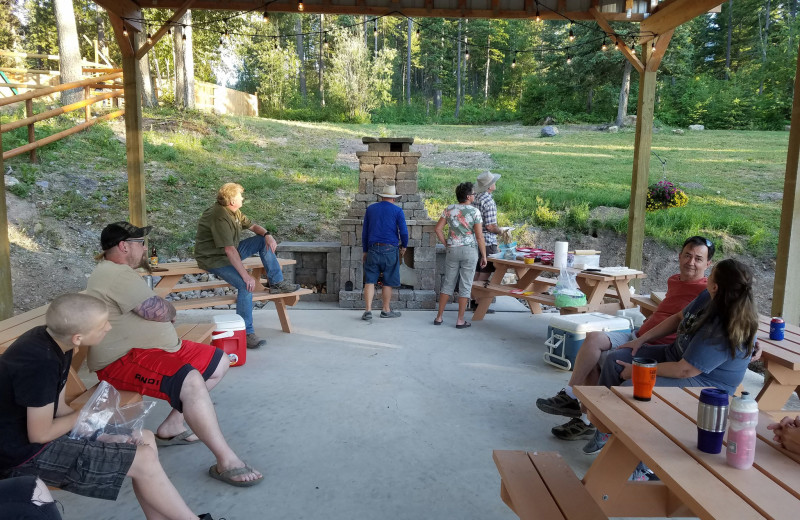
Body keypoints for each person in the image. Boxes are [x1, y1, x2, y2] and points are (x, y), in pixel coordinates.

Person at [0, 293, 218, 519]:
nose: (108, 328)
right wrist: (83, 417)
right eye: (101, 325)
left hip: (34, 435)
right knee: (142, 459)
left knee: (144, 438)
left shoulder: (56, 343)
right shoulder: (39, 363)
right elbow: (40, 434)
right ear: (78, 337)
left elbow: (59, 407)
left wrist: (97, 432)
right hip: (19, 455)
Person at [87, 221, 263, 487]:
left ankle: (171, 427)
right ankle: (226, 461)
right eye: (140, 243)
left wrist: (163, 311)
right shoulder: (115, 274)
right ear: (124, 246)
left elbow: (153, 309)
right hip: (124, 359)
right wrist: (168, 312)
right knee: (190, 380)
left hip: (155, 351)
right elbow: (158, 311)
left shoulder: (117, 272)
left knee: (219, 362)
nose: (144, 248)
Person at [537, 235, 715, 442]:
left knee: (601, 359)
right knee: (593, 339)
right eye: (687, 255)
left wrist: (753, 343)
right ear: (679, 256)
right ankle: (570, 395)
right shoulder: (674, 279)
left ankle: (587, 422)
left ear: (708, 264)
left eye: (698, 259)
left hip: (657, 345)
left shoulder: (706, 291)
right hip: (639, 334)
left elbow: (738, 313)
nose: (691, 262)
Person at [584, 258, 759, 456]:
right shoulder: (708, 297)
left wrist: (638, 371)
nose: (707, 278)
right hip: (674, 355)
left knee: (633, 389)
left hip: (705, 385)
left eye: (710, 275)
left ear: (716, 286)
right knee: (615, 360)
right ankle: (606, 428)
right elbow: (678, 318)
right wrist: (641, 339)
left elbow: (685, 370)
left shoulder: (722, 327)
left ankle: (641, 460)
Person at [195, 182, 299, 349]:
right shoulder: (219, 216)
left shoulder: (234, 212)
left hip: (229, 252)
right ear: (231, 200)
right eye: (240, 196)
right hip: (214, 258)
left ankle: (277, 283)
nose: (243, 198)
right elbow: (229, 250)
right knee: (246, 285)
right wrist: (246, 275)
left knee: (260, 240)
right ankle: (246, 333)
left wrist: (267, 235)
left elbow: (253, 226)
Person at [433, 182, 487, 328]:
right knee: (465, 285)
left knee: (448, 284)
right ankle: (460, 320)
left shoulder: (449, 209)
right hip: (469, 251)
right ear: (468, 196)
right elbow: (479, 236)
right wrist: (484, 255)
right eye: (474, 194)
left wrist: (446, 243)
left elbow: (438, 229)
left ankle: (439, 317)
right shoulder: (475, 212)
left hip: (452, 250)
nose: (475, 196)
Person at [360, 184, 409, 321]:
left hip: (373, 249)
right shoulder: (398, 211)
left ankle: (368, 311)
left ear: (382, 197)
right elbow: (404, 232)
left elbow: (365, 233)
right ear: (393, 199)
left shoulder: (371, 209)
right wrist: (404, 246)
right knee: (388, 281)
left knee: (369, 280)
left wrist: (365, 250)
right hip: (390, 250)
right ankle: (385, 310)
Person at [471, 171, 502, 314]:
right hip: (487, 241)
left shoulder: (475, 197)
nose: (495, 183)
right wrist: (501, 230)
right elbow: (490, 226)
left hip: (474, 239)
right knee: (486, 271)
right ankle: (479, 302)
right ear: (489, 186)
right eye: (493, 182)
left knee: (477, 271)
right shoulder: (488, 200)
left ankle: (473, 300)